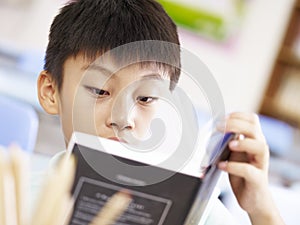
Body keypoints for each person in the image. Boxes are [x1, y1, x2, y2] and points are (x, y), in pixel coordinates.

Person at [37, 0, 285, 224]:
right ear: (50, 92)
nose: (123, 119)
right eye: (100, 91)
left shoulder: (198, 213)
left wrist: (261, 209)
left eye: (145, 98)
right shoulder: (20, 197)